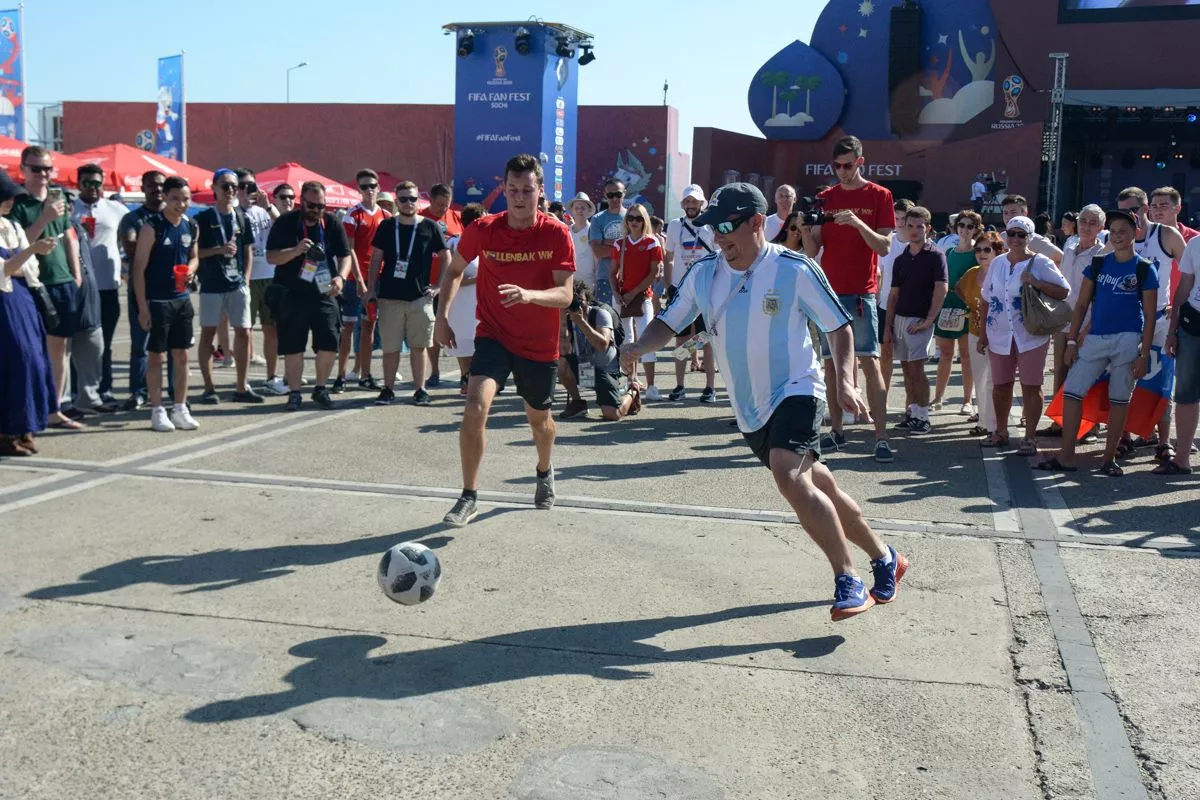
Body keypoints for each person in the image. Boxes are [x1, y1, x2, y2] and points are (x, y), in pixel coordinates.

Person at [620, 182, 908, 621]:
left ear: (757, 222)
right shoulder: (705, 273)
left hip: (797, 387)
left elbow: (838, 327)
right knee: (819, 486)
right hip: (749, 406)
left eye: (726, 227)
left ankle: (847, 579)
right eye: (713, 228)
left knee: (787, 473)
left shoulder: (794, 268)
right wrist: (639, 346)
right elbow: (668, 322)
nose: (718, 237)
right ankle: (886, 556)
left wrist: (846, 383)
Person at [435, 153, 575, 527]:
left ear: (540, 191)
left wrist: (530, 295)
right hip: (493, 335)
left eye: (527, 190)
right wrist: (442, 318)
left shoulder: (556, 233)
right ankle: (468, 496)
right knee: (474, 406)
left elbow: (566, 295)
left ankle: (544, 470)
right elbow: (453, 271)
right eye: (512, 189)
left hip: (538, 343)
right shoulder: (484, 229)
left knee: (539, 421)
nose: (519, 197)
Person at [1036, 209, 1157, 477]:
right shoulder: (1099, 264)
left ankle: (1109, 459)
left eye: (1123, 231)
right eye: (1113, 232)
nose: (1117, 236)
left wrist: (1144, 355)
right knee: (1072, 392)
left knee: (1119, 399)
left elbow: (1150, 316)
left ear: (1135, 233)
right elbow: (1080, 305)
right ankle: (1067, 456)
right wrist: (1071, 341)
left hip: (1128, 339)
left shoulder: (1144, 268)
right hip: (1095, 338)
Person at [800, 135, 896, 462]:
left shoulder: (879, 195)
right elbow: (813, 250)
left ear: (860, 162)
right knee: (831, 365)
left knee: (869, 362)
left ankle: (881, 437)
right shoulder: (826, 198)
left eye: (847, 165)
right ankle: (837, 432)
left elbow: (884, 247)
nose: (842, 171)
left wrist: (857, 223)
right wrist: (804, 229)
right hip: (829, 293)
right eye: (837, 166)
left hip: (861, 292)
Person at [978, 215, 1069, 456]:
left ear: (1029, 237)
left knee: (1031, 385)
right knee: (1000, 385)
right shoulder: (998, 262)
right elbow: (986, 298)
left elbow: (1063, 291)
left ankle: (1030, 437)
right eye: (1011, 234)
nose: (1015, 239)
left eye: (1021, 234)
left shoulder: (1041, 262)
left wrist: (1036, 282)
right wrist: (982, 333)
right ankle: (1001, 432)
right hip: (999, 334)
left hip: (1031, 334)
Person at [8, 146, 83, 423]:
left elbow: (68, 236)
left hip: (63, 280)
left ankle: (54, 408)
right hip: (32, 283)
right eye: (36, 168)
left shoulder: (58, 196)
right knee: (32, 348)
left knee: (60, 346)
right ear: (23, 169)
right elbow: (15, 246)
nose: (43, 174)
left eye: (47, 169)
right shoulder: (16, 202)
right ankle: (34, 407)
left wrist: (76, 273)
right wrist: (44, 218)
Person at [265, 181, 353, 412]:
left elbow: (345, 255)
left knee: (330, 340)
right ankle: (294, 393)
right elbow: (271, 257)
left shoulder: (331, 222)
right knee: (294, 346)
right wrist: (295, 251)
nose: (316, 210)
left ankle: (320, 389)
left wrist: (341, 277)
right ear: (301, 201)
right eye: (312, 205)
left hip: (324, 291)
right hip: (292, 293)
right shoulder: (286, 222)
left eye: (321, 206)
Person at [364, 181, 450, 406]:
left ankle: (420, 389)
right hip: (389, 297)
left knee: (419, 347)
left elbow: (446, 256)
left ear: (418, 200)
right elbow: (376, 259)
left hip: (420, 297)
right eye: (403, 199)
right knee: (390, 348)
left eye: (412, 198)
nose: (408, 203)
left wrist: (439, 286)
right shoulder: (387, 226)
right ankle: (388, 389)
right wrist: (371, 288)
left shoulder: (430, 226)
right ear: (397, 201)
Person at [1118, 186, 1186, 459]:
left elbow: (1193, 272)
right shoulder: (1118, 236)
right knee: (1123, 379)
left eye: (1132, 210)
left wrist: (1177, 307)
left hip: (1159, 319)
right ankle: (1123, 436)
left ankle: (1164, 442)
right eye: (1122, 211)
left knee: (1161, 381)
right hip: (1127, 319)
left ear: (1145, 208)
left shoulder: (1166, 235)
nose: (1128, 215)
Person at [1, 174, 66, 454]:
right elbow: (5, 269)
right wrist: (32, 251)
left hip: (23, 296)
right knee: (15, 361)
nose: (11, 201)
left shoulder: (12, 225)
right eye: (6, 196)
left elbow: (28, 268)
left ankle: (26, 426)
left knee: (36, 360)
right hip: (4, 300)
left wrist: (32, 253)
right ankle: (7, 432)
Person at [131, 176, 201, 433]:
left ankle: (180, 408)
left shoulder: (191, 225)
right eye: (175, 199)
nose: (181, 204)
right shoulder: (152, 227)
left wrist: (191, 270)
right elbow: (138, 270)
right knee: (155, 357)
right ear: (165, 197)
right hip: (157, 301)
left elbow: (194, 257)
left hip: (182, 300)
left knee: (182, 355)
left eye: (185, 199)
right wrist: (143, 308)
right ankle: (157, 410)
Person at [195, 168, 261, 405]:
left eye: (236, 186)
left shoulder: (241, 216)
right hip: (211, 285)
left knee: (243, 332)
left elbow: (248, 250)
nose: (231, 190)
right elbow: (195, 253)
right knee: (208, 334)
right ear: (214, 188)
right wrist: (218, 250)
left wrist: (246, 278)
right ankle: (209, 388)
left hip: (237, 285)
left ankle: (242, 387)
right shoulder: (203, 219)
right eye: (226, 186)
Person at [884, 206, 948, 434]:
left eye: (919, 226)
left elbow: (941, 289)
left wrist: (929, 320)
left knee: (917, 369)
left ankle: (923, 417)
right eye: (909, 225)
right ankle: (912, 413)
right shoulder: (901, 258)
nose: (913, 230)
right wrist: (888, 326)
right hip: (900, 319)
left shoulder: (935, 255)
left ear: (928, 228)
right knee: (906, 369)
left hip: (919, 320)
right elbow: (893, 295)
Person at [71, 163, 127, 405]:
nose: (92, 187)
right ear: (78, 183)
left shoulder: (116, 209)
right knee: (77, 343)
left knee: (105, 343)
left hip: (107, 287)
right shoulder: (69, 209)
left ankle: (105, 389)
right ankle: (76, 391)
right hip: (78, 288)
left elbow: (133, 235)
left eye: (97, 182)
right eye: (87, 182)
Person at [118, 171, 173, 410]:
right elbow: (130, 245)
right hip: (141, 289)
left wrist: (150, 247)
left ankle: (174, 391)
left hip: (169, 289)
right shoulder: (132, 218)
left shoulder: (174, 216)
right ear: (142, 188)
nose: (156, 189)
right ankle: (138, 392)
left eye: (160, 185)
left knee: (173, 345)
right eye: (151, 185)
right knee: (141, 344)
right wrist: (164, 249)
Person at [1047, 205, 1106, 429]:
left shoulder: (1103, 255)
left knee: (1086, 376)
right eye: (1083, 221)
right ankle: (1058, 423)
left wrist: (1089, 328)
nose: (1087, 227)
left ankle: (1088, 427)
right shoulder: (1070, 245)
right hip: (1062, 320)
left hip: (1087, 324)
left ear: (1101, 227)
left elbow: (1101, 296)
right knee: (1060, 372)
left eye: (1093, 223)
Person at [663, 183, 717, 402]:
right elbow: (668, 257)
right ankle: (679, 386)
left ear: (701, 203)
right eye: (687, 201)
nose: (691, 205)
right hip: (681, 289)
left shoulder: (711, 225)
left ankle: (710, 388)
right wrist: (669, 285)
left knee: (706, 339)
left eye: (694, 201)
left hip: (706, 289)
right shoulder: (675, 225)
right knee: (682, 339)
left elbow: (719, 257)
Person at [339, 169, 389, 393]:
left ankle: (365, 375)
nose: (369, 190)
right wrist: (360, 280)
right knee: (348, 327)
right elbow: (348, 250)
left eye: (372, 186)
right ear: (358, 189)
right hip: (354, 280)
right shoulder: (352, 214)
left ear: (379, 187)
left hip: (378, 280)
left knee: (370, 326)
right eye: (364, 186)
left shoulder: (386, 215)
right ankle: (340, 376)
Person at [610, 203, 664, 399]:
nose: (634, 222)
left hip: (642, 297)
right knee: (625, 340)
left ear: (644, 220)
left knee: (646, 339)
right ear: (626, 221)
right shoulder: (619, 243)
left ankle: (651, 386)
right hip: (621, 298)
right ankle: (630, 380)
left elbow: (653, 273)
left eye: (638, 218)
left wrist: (632, 293)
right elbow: (612, 272)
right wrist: (616, 293)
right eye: (631, 218)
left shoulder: (652, 242)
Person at [567, 279, 641, 420]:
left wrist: (581, 322)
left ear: (588, 299)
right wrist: (562, 320)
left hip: (604, 369)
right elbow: (563, 350)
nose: (577, 305)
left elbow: (602, 345)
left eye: (580, 300)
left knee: (613, 414)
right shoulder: (567, 317)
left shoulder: (600, 314)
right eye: (573, 301)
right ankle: (578, 403)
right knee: (561, 363)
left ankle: (633, 391)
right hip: (585, 367)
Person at [237, 169, 283, 392]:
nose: (247, 190)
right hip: (245, 277)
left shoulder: (264, 211)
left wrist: (268, 206)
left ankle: (272, 377)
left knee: (271, 329)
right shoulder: (233, 212)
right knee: (244, 331)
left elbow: (283, 226)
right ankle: (242, 382)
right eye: (242, 185)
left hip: (269, 275)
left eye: (251, 185)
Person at [957, 230, 1005, 437]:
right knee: (979, 378)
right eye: (978, 250)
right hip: (975, 331)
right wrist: (972, 308)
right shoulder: (972, 273)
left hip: (999, 333)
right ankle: (984, 422)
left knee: (993, 381)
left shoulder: (1004, 272)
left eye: (987, 249)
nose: (982, 253)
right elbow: (958, 289)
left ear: (998, 251)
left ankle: (994, 425)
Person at [932, 209, 980, 414]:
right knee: (945, 353)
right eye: (962, 225)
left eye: (970, 226)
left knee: (966, 356)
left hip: (967, 306)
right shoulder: (949, 252)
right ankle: (937, 398)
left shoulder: (978, 253)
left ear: (976, 229)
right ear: (955, 227)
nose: (965, 230)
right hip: (947, 304)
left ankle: (967, 401)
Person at [420, 183, 465, 388]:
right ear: (430, 200)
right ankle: (435, 371)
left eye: (447, 205)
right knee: (432, 329)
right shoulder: (420, 218)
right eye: (439, 205)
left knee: (456, 327)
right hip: (427, 283)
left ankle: (464, 373)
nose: (443, 209)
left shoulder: (455, 217)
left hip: (451, 283)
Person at [1163, 229, 1200, 475]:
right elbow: (1184, 287)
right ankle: (1182, 459)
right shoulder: (1195, 244)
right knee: (1186, 393)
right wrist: (1172, 331)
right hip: (1193, 324)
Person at [444, 203, 487, 396]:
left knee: (482, 343)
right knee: (462, 344)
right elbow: (451, 276)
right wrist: (477, 279)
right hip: (461, 302)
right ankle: (466, 378)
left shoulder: (491, 243)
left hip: (482, 301)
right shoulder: (454, 243)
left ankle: (478, 380)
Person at [876, 199, 913, 393]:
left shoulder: (921, 244)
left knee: (909, 359)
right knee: (886, 352)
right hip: (885, 306)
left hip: (911, 308)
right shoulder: (886, 242)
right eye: (896, 218)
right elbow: (878, 273)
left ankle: (911, 401)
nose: (899, 223)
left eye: (903, 219)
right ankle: (883, 396)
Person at [588, 177, 627, 305]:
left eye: (618, 194)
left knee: (629, 317)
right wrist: (623, 247)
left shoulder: (632, 217)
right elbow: (598, 252)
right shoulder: (597, 219)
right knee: (605, 316)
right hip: (604, 277)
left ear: (624, 193)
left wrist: (607, 242)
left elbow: (637, 248)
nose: (614, 198)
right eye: (610, 195)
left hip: (630, 277)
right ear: (605, 195)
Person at [1001, 195, 1063, 264]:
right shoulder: (1002, 237)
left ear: (1024, 213)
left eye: (1013, 212)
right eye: (1005, 213)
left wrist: (1040, 270)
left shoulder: (1035, 240)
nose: (1009, 216)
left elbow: (1062, 258)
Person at [568, 193, 597, 290]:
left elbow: (597, 258)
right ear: (572, 211)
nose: (579, 210)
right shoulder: (566, 230)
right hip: (569, 282)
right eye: (576, 208)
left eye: (583, 208)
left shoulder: (593, 230)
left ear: (589, 211)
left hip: (588, 284)